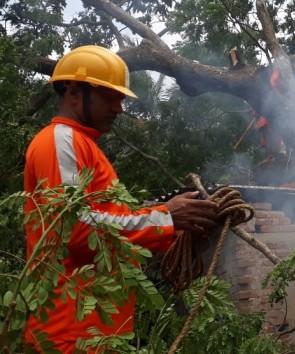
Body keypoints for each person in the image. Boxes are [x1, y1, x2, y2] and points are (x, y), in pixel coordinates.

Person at [23, 45, 221, 353]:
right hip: (69, 335)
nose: (119, 107)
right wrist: (165, 218)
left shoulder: (83, 146)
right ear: (75, 93)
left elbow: (109, 225)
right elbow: (73, 228)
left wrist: (174, 230)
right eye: (110, 96)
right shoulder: (60, 140)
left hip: (95, 332)